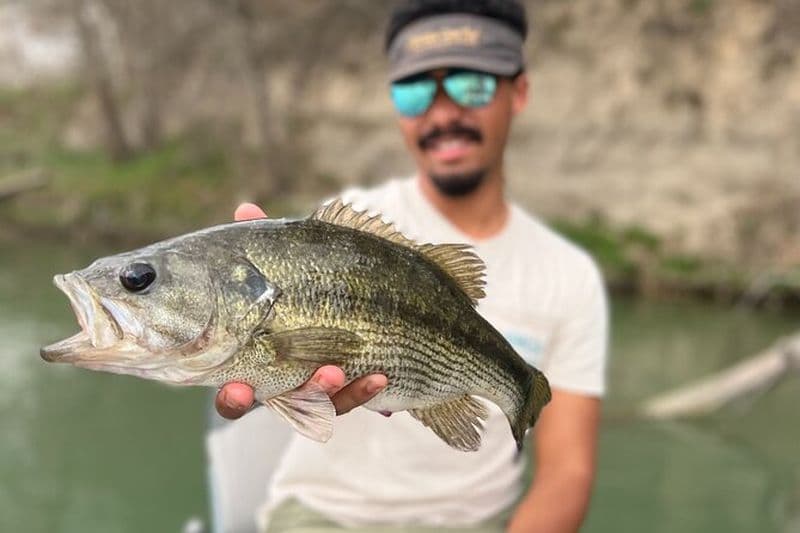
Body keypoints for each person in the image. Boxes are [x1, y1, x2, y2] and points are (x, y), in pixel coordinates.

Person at [209, 1, 608, 532]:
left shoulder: (570, 275)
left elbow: (568, 472)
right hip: (326, 517)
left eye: (471, 87)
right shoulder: (339, 232)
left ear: (520, 92)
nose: (442, 113)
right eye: (415, 90)